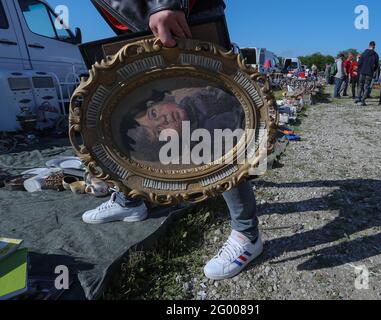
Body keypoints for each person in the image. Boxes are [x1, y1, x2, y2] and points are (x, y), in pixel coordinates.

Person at [87, 0, 263, 281]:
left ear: (162, 99)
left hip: (180, 13)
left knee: (229, 146)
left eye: (154, 112)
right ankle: (129, 200)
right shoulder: (187, 127)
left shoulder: (208, 107)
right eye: (158, 130)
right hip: (131, 18)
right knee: (116, 126)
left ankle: (247, 233)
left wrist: (165, 2)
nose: (162, 121)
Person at [355, 41, 380, 106]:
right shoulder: (376, 55)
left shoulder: (364, 53)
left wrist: (360, 70)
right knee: (366, 87)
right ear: (374, 46)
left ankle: (358, 98)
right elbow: (377, 65)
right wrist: (372, 70)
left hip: (362, 72)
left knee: (360, 86)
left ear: (369, 45)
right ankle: (363, 100)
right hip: (369, 73)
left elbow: (359, 63)